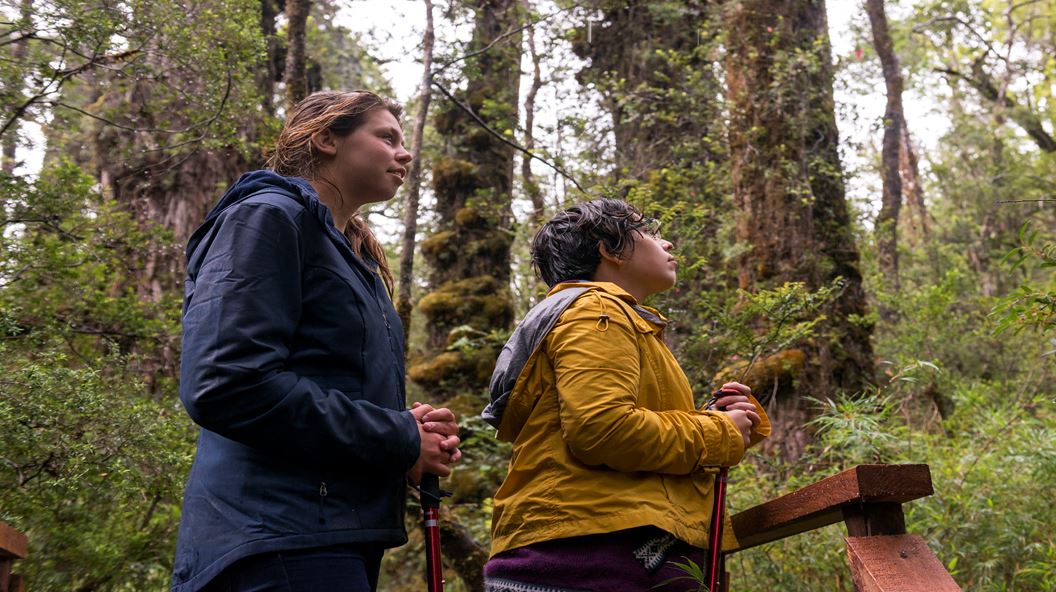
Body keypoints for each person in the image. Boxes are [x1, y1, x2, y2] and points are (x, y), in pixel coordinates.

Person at [171, 90, 462, 592]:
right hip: (275, 539)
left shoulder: (356, 259)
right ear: (327, 138)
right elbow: (226, 382)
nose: (406, 152)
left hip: (327, 533)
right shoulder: (267, 217)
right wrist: (397, 435)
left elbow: (332, 385)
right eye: (386, 137)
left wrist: (407, 447)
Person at [482, 198, 770, 592]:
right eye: (648, 230)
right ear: (609, 250)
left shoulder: (616, 321)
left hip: (597, 550)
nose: (666, 243)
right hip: (594, 557)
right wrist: (718, 432)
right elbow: (603, 429)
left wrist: (722, 424)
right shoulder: (597, 311)